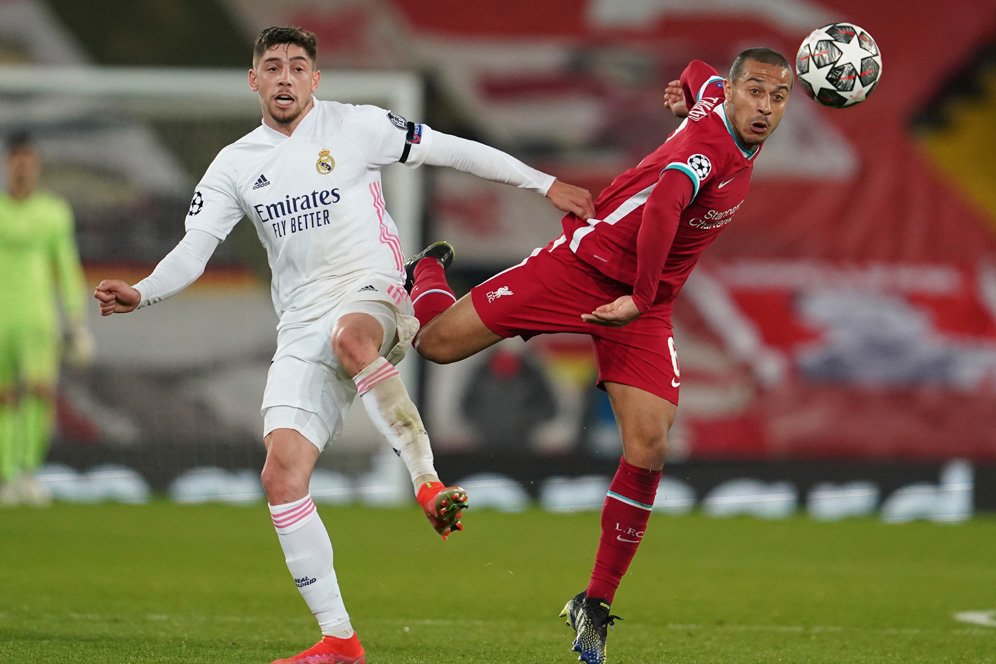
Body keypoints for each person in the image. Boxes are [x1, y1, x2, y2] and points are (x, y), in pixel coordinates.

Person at [92, 26, 594, 664]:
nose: (284, 78)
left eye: (297, 67)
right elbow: (194, 251)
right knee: (281, 474)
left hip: (375, 293)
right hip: (300, 323)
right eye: (271, 67)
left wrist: (542, 183)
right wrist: (143, 292)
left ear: (314, 80)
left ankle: (427, 482)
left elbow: (450, 149)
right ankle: (339, 641)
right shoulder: (235, 165)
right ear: (254, 80)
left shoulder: (357, 126)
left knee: (351, 335)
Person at [405, 47, 793, 664]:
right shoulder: (714, 151)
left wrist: (685, 90)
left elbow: (697, 70)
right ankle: (424, 272)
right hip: (583, 267)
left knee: (650, 446)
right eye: (755, 93)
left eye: (777, 98)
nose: (764, 107)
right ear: (737, 89)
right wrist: (641, 294)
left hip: (645, 303)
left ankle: (594, 602)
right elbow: (666, 202)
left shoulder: (718, 94)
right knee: (434, 346)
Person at [0, 132, 94, 507]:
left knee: (39, 394)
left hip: (38, 318)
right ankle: (6, 476)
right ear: (8, 165)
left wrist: (75, 319)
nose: (22, 167)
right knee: (5, 398)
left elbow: (66, 266)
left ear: (35, 166)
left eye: (28, 160)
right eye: (15, 160)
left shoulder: (53, 213)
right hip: (1, 318)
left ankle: (28, 473)